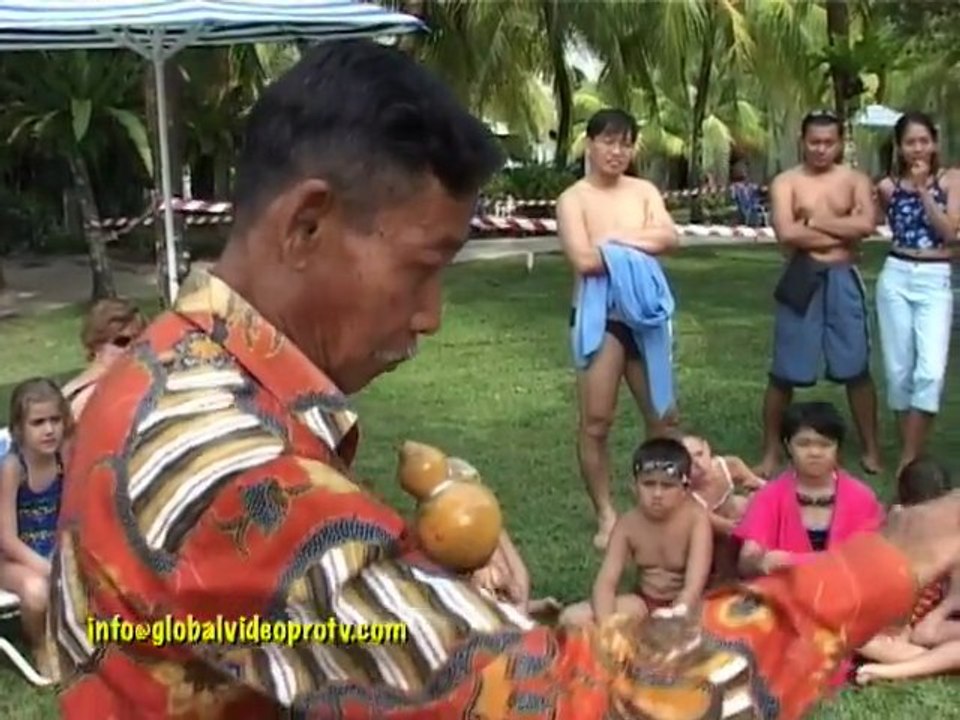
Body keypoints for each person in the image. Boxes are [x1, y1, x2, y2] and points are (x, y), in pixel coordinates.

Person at [44, 40, 960, 720]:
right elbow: (558, 699)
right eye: (423, 266)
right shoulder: (229, 470)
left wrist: (415, 574)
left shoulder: (157, 370)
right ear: (306, 224)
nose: (432, 314)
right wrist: (897, 554)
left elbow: (241, 639)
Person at [557, 108, 680, 549]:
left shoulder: (644, 190)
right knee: (595, 422)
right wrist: (637, 240)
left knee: (664, 418)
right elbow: (584, 261)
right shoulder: (574, 199)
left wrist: (612, 241)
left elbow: (670, 238)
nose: (617, 151)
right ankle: (607, 514)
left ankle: (661, 501)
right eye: (608, 141)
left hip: (645, 318)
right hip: (600, 319)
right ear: (590, 144)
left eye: (625, 143)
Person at [755, 110, 883, 479]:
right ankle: (770, 452)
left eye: (829, 142)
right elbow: (787, 233)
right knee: (783, 372)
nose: (822, 149)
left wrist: (814, 222)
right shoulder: (787, 182)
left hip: (843, 277)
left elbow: (866, 225)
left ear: (840, 142)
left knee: (856, 368)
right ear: (803, 141)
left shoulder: (855, 180)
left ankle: (871, 449)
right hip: (801, 275)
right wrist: (842, 232)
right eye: (815, 142)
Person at [736, 400, 884, 687]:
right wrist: (758, 560)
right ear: (788, 445)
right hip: (785, 599)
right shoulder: (770, 496)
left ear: (838, 448)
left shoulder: (861, 496)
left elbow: (866, 564)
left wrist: (790, 560)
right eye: (804, 443)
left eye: (824, 444)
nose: (814, 452)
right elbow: (747, 561)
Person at [875, 112, 960, 477]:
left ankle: (910, 457)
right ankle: (910, 449)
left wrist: (925, 189)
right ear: (899, 147)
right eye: (910, 142)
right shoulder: (888, 187)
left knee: (930, 371)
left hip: (935, 275)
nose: (918, 148)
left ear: (935, 143)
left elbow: (951, 234)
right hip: (897, 273)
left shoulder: (951, 180)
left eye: (924, 140)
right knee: (898, 371)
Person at [558, 438, 712, 627]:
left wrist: (674, 614)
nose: (657, 494)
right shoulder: (627, 525)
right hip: (644, 605)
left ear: (684, 489)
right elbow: (605, 583)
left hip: (690, 606)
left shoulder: (696, 520)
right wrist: (607, 626)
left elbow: (693, 587)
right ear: (635, 486)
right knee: (572, 618)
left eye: (667, 486)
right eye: (648, 484)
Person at [857, 457, 960, 685]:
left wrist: (936, 615)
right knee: (862, 639)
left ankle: (903, 667)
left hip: (926, 623)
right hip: (892, 625)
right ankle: (932, 662)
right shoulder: (894, 526)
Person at [0, 378, 70, 676]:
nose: (49, 429)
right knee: (36, 591)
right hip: (11, 559)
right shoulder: (13, 467)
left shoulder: (62, 460)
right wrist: (46, 567)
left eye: (55, 419)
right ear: (19, 428)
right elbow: (6, 538)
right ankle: (40, 644)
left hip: (53, 551)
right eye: (38, 422)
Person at [60, 298, 145, 419]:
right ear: (96, 345)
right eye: (122, 342)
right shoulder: (89, 397)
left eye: (138, 340)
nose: (132, 349)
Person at [681, 433, 765, 535]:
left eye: (700, 454)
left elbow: (761, 486)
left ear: (707, 447)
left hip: (736, 519)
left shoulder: (729, 465)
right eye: (689, 460)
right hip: (714, 536)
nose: (698, 463)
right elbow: (727, 527)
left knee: (744, 502)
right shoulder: (687, 495)